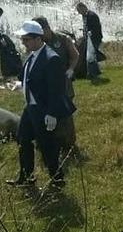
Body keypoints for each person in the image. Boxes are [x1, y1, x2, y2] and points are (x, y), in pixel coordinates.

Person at [6, 21, 76, 188]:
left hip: (43, 109)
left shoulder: (52, 59)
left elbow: (56, 90)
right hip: (30, 107)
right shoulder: (32, 54)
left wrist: (51, 114)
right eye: (22, 39)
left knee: (46, 145)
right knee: (23, 139)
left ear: (38, 38)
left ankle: (57, 179)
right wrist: (21, 85)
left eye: (26, 39)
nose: (23, 42)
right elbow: (32, 78)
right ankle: (26, 177)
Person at [33, 16, 80, 161]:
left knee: (65, 115)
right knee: (46, 113)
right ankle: (48, 143)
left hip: (64, 83)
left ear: (47, 28)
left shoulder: (63, 39)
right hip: (45, 86)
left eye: (41, 32)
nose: (40, 36)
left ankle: (69, 146)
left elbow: (75, 55)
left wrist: (71, 69)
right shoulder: (36, 42)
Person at [76, 2, 104, 80]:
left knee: (91, 57)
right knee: (91, 56)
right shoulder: (85, 15)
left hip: (94, 39)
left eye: (79, 10)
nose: (79, 13)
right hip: (89, 39)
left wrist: (89, 33)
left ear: (83, 7)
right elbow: (87, 27)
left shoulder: (92, 16)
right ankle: (93, 72)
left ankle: (92, 74)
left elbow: (95, 28)